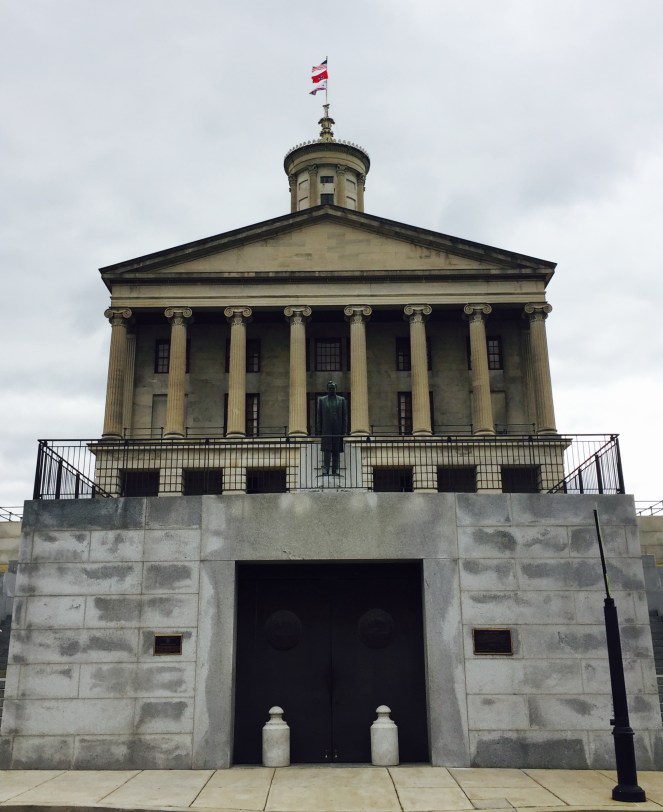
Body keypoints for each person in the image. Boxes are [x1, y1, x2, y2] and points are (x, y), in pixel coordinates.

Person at [315, 380, 347, 475]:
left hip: (338, 429)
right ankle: (326, 469)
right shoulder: (322, 400)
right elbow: (319, 415)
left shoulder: (341, 400)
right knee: (327, 450)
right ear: (327, 389)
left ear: (336, 389)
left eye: (333, 388)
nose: (332, 390)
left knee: (336, 450)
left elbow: (344, 416)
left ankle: (335, 470)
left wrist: (344, 430)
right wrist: (319, 429)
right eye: (330, 388)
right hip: (326, 428)